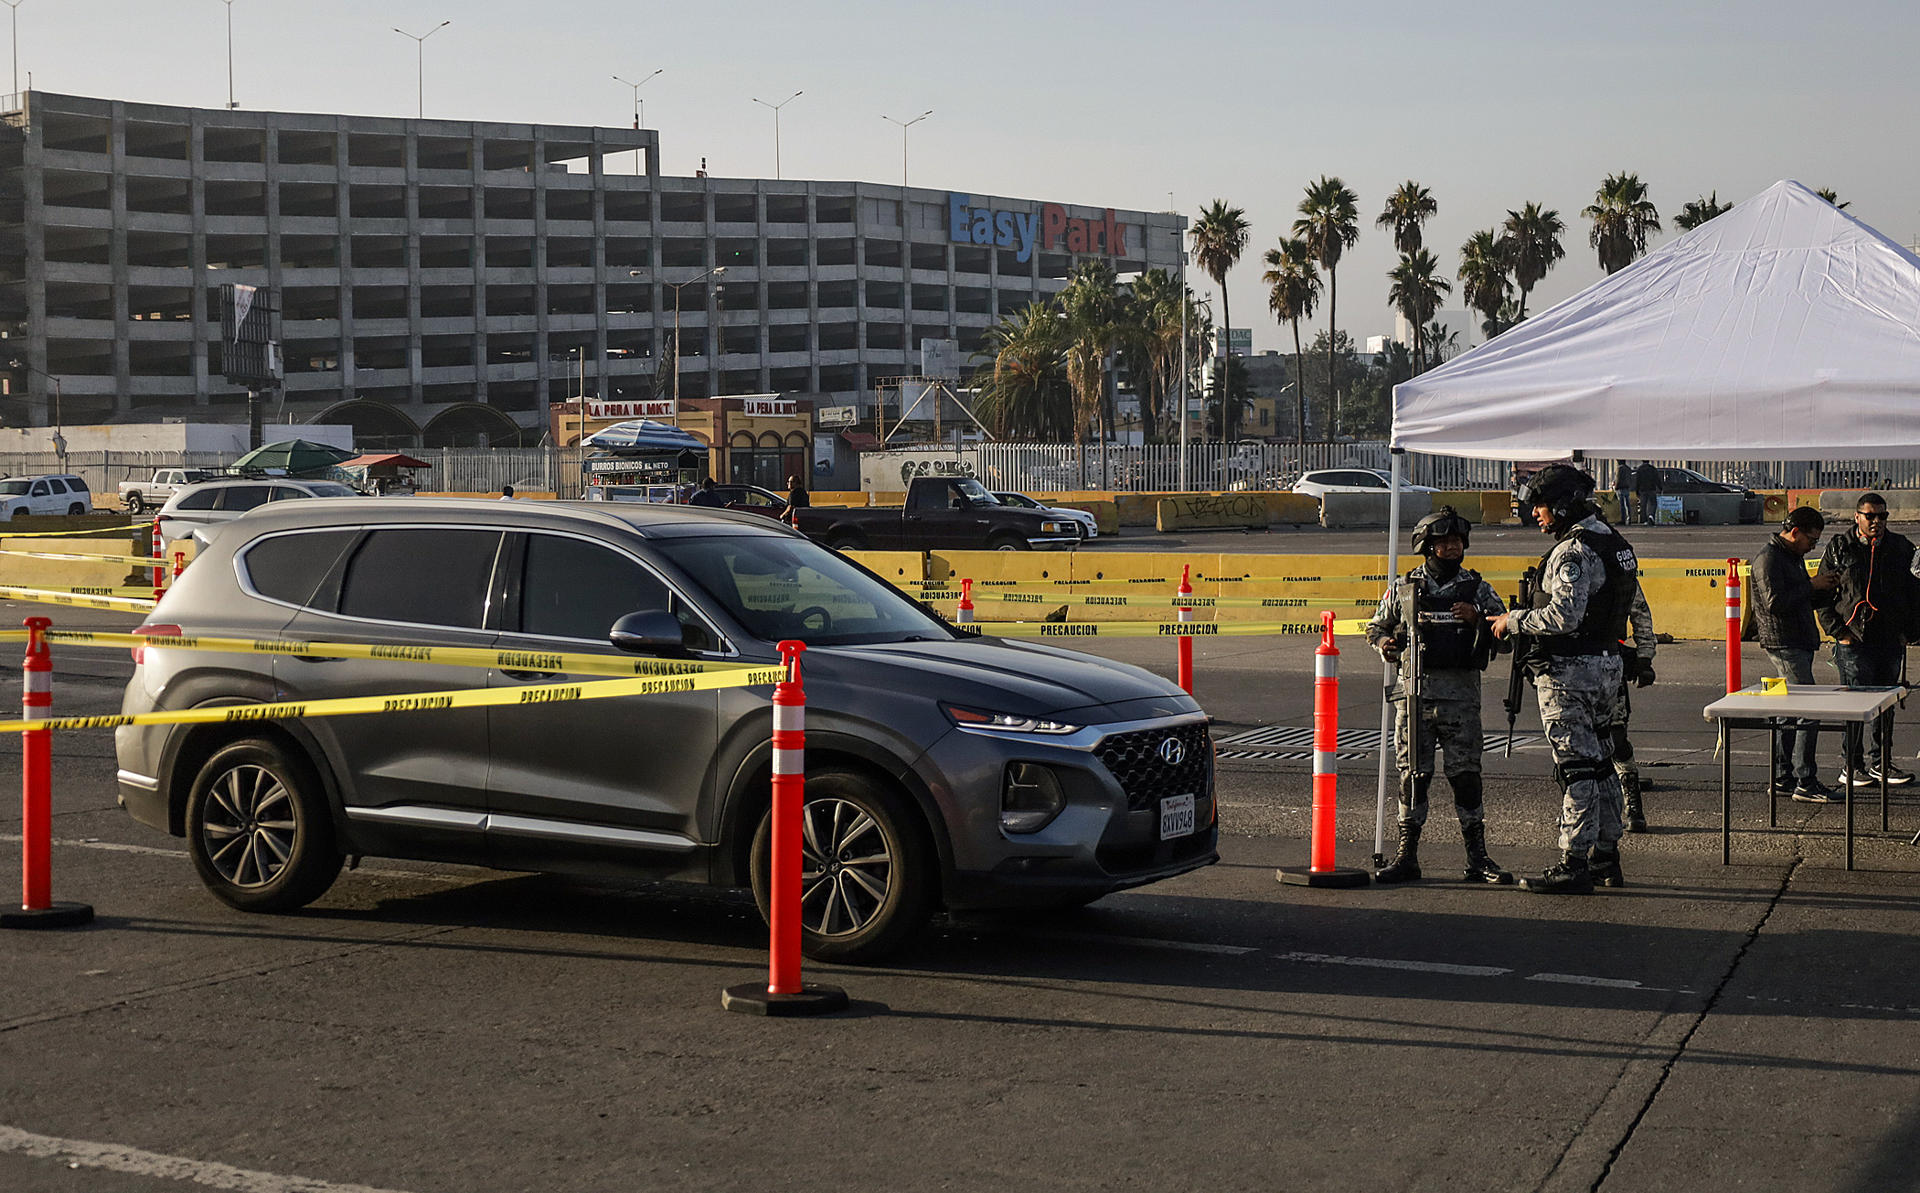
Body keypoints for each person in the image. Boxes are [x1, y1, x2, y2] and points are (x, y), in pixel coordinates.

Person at [1491, 464, 1639, 894]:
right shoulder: (1614, 541)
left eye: (1539, 506)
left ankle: (1573, 862)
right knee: (1601, 763)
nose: (1534, 514)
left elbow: (1564, 615)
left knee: (1575, 768)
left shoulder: (1573, 552)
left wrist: (1512, 620)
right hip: (1607, 667)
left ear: (1560, 505)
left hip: (1570, 672)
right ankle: (1606, 857)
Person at [1366, 506, 1512, 885]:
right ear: (1427, 546)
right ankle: (1406, 856)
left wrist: (1478, 618)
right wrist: (1385, 643)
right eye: (1444, 542)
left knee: (1466, 776)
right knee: (1413, 776)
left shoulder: (1477, 588)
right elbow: (1375, 627)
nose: (1452, 548)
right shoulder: (1404, 587)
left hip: (1461, 699)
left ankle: (1477, 858)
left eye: (1457, 542)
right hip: (1414, 699)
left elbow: (1507, 634)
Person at [1817, 493, 1915, 786]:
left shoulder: (1901, 547)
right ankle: (1852, 764)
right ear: (1857, 517)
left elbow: (1914, 592)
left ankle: (1881, 763)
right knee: (1856, 703)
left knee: (1886, 702)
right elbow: (1822, 594)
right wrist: (1839, 632)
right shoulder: (1839, 548)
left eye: (1882, 516)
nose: (1876, 522)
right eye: (1870, 516)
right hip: (1854, 638)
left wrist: (1910, 631)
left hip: (1890, 638)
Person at [1752, 506, 1840, 801]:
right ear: (1794, 532)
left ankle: (1782, 775)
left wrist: (1824, 589)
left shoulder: (1792, 556)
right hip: (1784, 642)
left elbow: (1799, 600)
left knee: (1788, 712)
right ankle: (1805, 779)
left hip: (1798, 639)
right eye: (1811, 540)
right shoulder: (1769, 559)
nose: (1813, 546)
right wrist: (1810, 584)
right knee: (1807, 710)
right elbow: (1775, 603)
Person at [1610, 581, 1657, 831]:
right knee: (1574, 746)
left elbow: (1638, 609)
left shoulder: (1613, 558)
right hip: (1569, 668)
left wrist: (1644, 657)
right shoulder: (1562, 558)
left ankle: (1633, 806)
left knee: (1617, 739)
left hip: (1607, 661)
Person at [1633, 461, 1663, 526]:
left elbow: (1637, 481)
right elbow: (1657, 479)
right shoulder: (1652, 468)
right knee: (1653, 503)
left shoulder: (1640, 469)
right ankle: (1651, 516)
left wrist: (1637, 490)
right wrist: (1660, 487)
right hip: (1652, 488)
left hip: (1642, 489)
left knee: (1643, 505)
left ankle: (1644, 520)